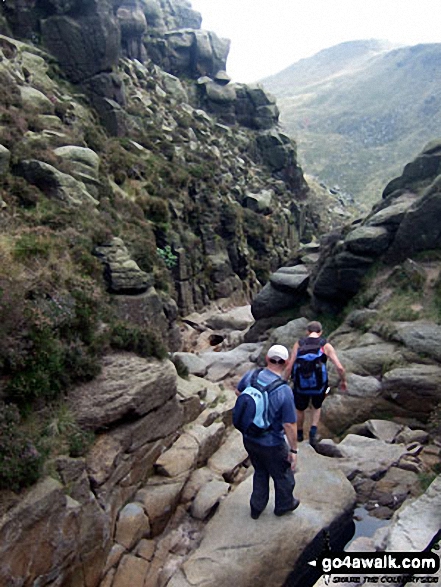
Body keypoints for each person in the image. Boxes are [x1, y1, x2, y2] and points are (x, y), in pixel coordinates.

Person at [236, 344, 300, 519]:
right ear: (286, 363)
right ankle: (284, 505)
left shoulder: (252, 375)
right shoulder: (284, 390)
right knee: (283, 475)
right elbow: (289, 425)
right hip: (272, 443)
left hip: (249, 437)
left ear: (267, 359)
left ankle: (256, 508)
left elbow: (238, 391)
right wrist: (294, 450)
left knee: (260, 471)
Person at [287, 321, 347, 447]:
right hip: (319, 386)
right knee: (316, 407)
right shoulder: (325, 345)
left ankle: (299, 433)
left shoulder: (299, 344)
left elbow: (290, 365)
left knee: (300, 409)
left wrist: (284, 381)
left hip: (300, 384)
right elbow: (340, 368)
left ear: (307, 332)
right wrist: (343, 381)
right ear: (320, 332)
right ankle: (313, 433)